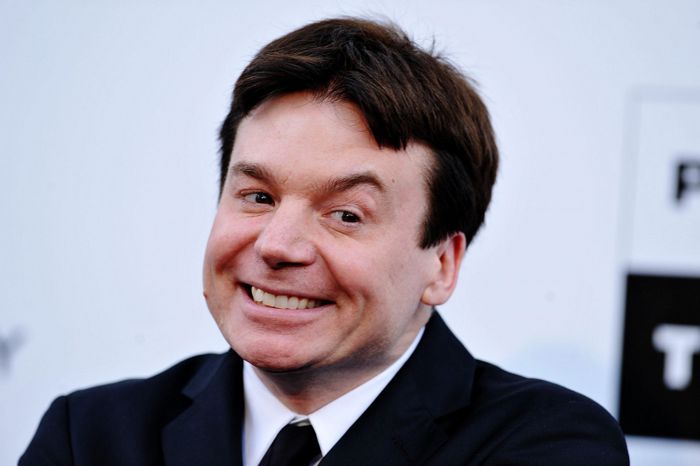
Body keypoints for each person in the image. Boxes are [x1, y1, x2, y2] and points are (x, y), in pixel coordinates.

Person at [20, 17, 629, 465]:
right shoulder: (90, 435)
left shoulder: (547, 444)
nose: (278, 245)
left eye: (345, 215)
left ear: (442, 264)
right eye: (258, 197)